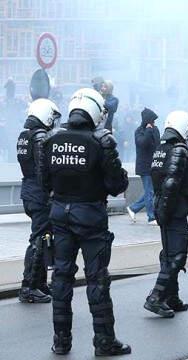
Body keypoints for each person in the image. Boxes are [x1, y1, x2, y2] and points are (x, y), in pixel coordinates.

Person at [41, 88, 130, 356]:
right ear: (94, 111)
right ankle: (104, 341)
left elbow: (44, 182)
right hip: (90, 217)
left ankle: (61, 341)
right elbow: (117, 185)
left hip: (59, 216)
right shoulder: (101, 141)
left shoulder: (51, 139)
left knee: (61, 279)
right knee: (97, 280)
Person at [144, 111, 188, 318]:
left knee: (168, 253)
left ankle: (171, 297)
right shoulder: (178, 149)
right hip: (174, 208)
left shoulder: (162, 148)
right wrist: (167, 211)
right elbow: (172, 182)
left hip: (165, 206)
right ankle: (156, 297)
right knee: (177, 255)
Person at [16, 98, 60, 303]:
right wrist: (51, 192)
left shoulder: (24, 136)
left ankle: (40, 283)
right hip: (40, 194)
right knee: (39, 239)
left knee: (42, 237)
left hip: (29, 191)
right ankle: (29, 286)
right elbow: (44, 170)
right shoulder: (41, 137)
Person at [127, 108, 160, 224]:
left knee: (150, 192)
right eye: (152, 121)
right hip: (144, 166)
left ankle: (133, 208)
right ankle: (151, 217)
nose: (154, 124)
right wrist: (148, 131)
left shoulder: (155, 130)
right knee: (149, 191)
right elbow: (142, 144)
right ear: (147, 121)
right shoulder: (139, 131)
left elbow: (158, 145)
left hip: (154, 165)